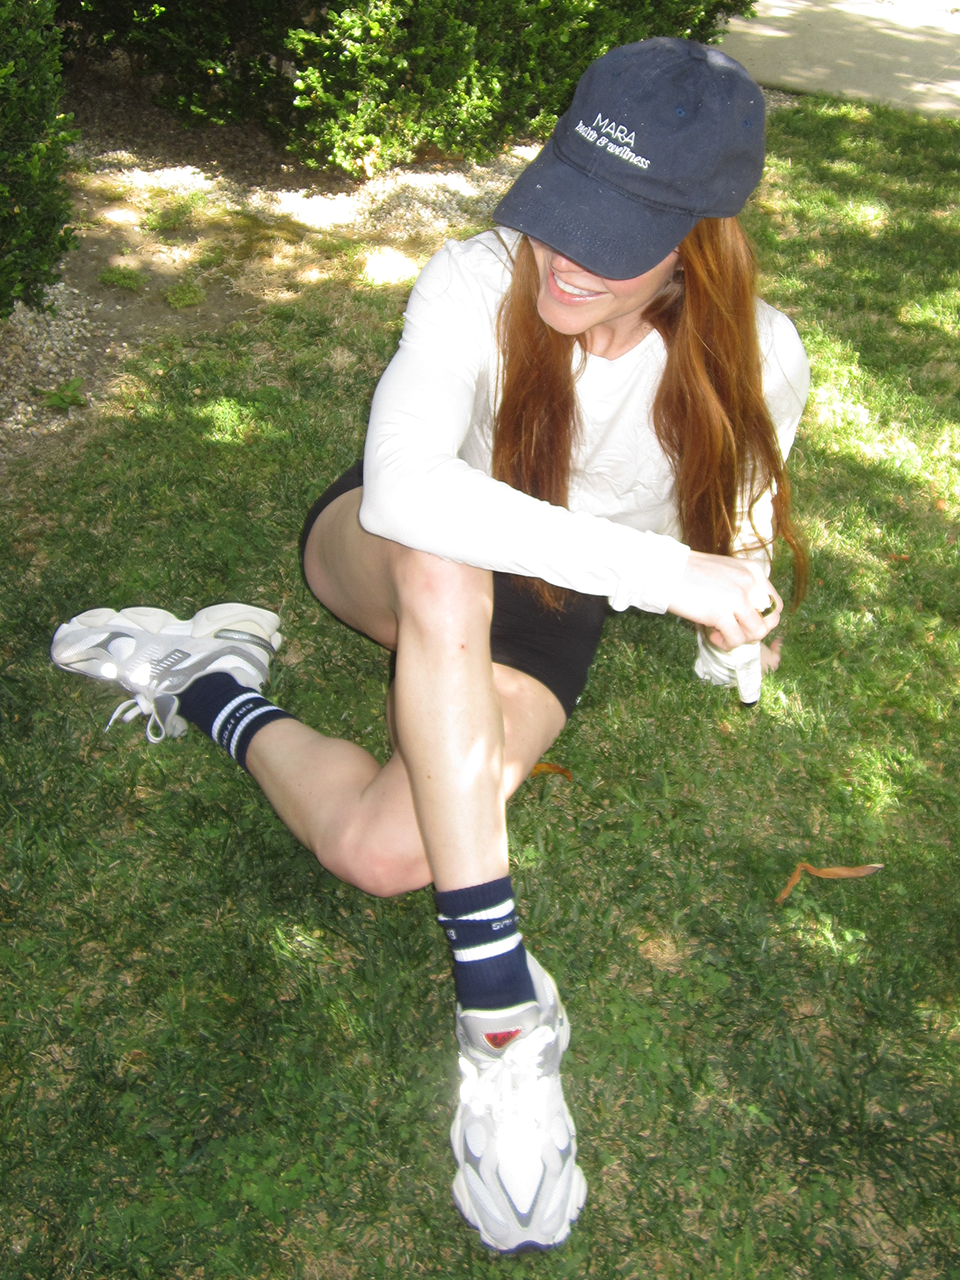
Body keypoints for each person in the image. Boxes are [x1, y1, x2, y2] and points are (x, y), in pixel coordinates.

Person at [51, 38, 809, 1253]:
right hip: (391, 551)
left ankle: (210, 681)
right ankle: (503, 1016)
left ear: (699, 235)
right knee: (449, 553)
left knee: (379, 849)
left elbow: (743, 534)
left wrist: (735, 616)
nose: (562, 255)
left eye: (613, 232)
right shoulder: (473, 278)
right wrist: (667, 573)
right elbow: (408, 491)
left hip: (551, 607)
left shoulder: (760, 355)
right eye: (566, 200)